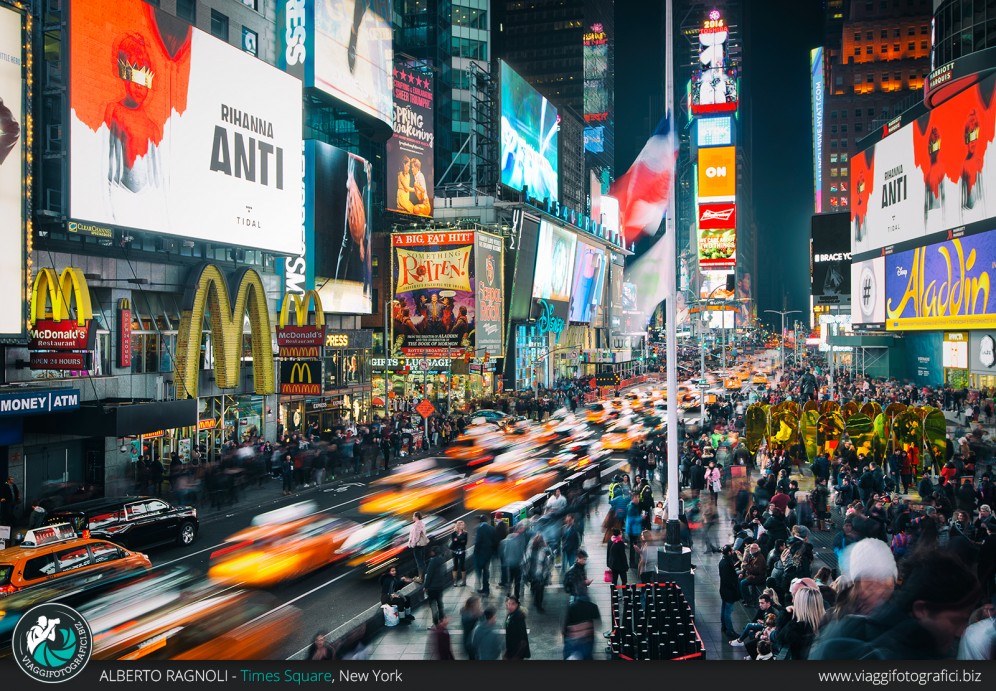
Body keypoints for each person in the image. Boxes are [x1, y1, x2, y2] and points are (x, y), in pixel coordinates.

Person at [563, 593, 601, 660]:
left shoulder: (572, 607)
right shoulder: (593, 606)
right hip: (587, 638)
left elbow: (566, 627)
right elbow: (598, 622)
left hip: (573, 639)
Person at [522, 534, 554, 613]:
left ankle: (536, 601)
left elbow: (524, 561)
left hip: (531, 573)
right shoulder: (545, 550)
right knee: (540, 590)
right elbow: (551, 559)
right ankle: (538, 605)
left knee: (534, 587)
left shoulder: (530, 549)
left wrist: (525, 571)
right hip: (540, 574)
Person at [719, 544, 741, 639]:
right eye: (731, 551)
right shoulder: (727, 563)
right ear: (729, 552)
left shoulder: (723, 561)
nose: (733, 552)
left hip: (724, 589)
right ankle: (730, 630)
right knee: (728, 611)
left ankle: (724, 626)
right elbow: (729, 579)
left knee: (724, 608)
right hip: (728, 591)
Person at [423, 546, 448, 626]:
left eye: (431, 551)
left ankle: (435, 622)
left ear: (433, 552)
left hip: (432, 588)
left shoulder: (432, 561)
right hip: (440, 586)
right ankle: (442, 618)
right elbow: (445, 572)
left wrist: (425, 586)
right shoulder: (442, 559)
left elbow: (429, 575)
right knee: (440, 602)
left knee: (433, 604)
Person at [475, 514, 497, 595]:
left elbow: (477, 542)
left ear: (480, 521)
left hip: (481, 554)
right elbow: (495, 541)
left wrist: (476, 551)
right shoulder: (492, 528)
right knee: (486, 570)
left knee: (483, 571)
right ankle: (486, 587)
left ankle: (485, 589)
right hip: (489, 554)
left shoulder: (480, 529)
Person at [408, 512, 429, 582]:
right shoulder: (422, 523)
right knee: (422, 561)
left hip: (417, 545)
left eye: (413, 516)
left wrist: (413, 544)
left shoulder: (416, 525)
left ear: (416, 516)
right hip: (422, 545)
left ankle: (421, 578)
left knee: (419, 562)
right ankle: (423, 576)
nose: (412, 517)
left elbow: (416, 536)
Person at [450, 520, 469, 587]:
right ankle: (455, 582)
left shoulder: (465, 533)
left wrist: (458, 540)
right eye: (461, 525)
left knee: (462, 566)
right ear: (458, 525)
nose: (463, 526)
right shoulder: (453, 533)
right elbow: (454, 542)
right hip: (455, 552)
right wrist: (460, 540)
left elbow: (465, 542)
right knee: (455, 566)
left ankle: (464, 582)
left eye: (463, 525)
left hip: (462, 552)